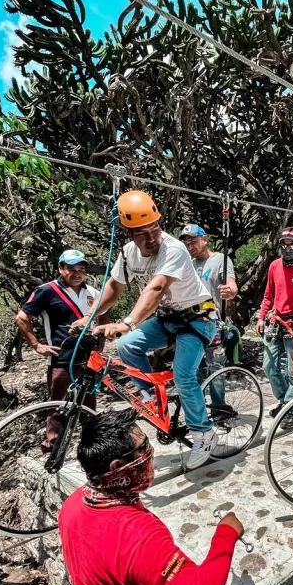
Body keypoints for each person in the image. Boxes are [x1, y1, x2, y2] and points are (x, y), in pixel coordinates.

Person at [60, 409, 243, 585]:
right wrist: (226, 535)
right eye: (143, 447)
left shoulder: (75, 503)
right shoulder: (137, 535)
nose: (151, 451)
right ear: (118, 467)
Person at [82, 190, 220, 470]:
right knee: (127, 346)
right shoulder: (128, 253)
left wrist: (127, 323)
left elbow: (156, 289)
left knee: (183, 376)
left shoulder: (174, 249)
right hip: (169, 319)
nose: (152, 237)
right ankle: (150, 398)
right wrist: (89, 316)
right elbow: (113, 288)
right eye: (142, 233)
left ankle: (204, 433)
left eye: (155, 228)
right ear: (128, 233)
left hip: (198, 319)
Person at [16, 249, 108, 448]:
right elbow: (22, 317)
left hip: (90, 359)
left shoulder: (93, 293)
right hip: (62, 358)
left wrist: (100, 345)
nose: (77, 273)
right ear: (60, 268)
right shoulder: (46, 291)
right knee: (59, 403)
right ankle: (53, 445)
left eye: (81, 269)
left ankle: (90, 445)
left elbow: (104, 316)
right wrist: (36, 344)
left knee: (88, 403)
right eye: (71, 269)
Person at [257, 228, 293, 426]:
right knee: (268, 366)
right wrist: (262, 317)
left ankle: (291, 408)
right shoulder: (274, 266)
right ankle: (284, 401)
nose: (288, 248)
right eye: (284, 244)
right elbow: (268, 295)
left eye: (292, 245)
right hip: (277, 322)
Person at [180, 223, 237, 409]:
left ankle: (219, 407)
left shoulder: (221, 259)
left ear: (205, 240)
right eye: (186, 244)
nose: (190, 247)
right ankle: (198, 409)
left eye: (193, 242)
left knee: (215, 369)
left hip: (213, 323)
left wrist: (231, 291)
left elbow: (231, 284)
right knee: (193, 369)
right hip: (191, 324)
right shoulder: (188, 264)